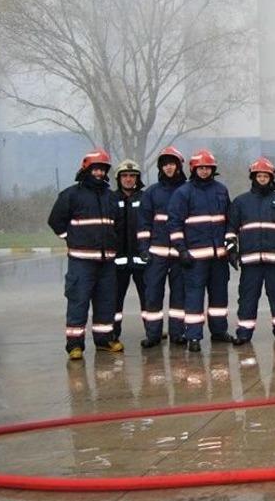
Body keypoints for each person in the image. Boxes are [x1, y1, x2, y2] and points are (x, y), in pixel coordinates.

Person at [47, 149, 123, 360]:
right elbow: (55, 221)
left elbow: (117, 223)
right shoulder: (71, 195)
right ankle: (74, 345)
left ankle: (104, 340)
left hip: (106, 261)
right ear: (86, 170)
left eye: (102, 169)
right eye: (95, 169)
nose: (99, 173)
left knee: (106, 302)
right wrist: (70, 238)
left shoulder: (110, 196)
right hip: (82, 262)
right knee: (78, 302)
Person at [167, 148, 235, 352]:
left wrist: (230, 248)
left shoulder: (221, 190)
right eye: (201, 168)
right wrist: (182, 250)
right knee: (194, 299)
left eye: (208, 168)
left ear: (213, 170)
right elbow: (174, 224)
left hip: (219, 257)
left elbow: (229, 221)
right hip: (195, 258)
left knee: (219, 298)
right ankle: (194, 336)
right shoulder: (183, 193)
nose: (204, 171)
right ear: (193, 169)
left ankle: (219, 331)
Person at [228, 157, 275, 344]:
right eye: (259, 175)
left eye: (265, 175)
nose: (262, 178)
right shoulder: (241, 202)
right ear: (253, 177)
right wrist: (232, 251)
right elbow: (231, 230)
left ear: (271, 177)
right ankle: (244, 333)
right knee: (247, 298)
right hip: (250, 262)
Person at [137, 146, 187, 348]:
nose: (169, 167)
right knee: (153, 294)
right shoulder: (151, 193)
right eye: (165, 164)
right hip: (156, 254)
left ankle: (177, 333)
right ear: (161, 167)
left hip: (179, 254)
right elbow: (144, 223)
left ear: (178, 166)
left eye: (172, 163)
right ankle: (153, 335)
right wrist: (143, 248)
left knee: (179, 295)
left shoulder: (187, 191)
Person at [111, 159, 146, 339]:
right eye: (124, 176)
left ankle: (152, 331)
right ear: (118, 178)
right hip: (117, 264)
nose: (128, 179)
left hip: (142, 260)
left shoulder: (146, 198)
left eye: (132, 176)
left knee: (149, 299)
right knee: (114, 301)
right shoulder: (110, 199)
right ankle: (113, 333)